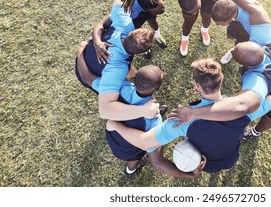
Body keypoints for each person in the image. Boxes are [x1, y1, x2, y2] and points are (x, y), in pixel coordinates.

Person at [106, 58, 271, 173]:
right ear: (222, 80)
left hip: (206, 163)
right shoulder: (243, 110)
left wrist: (116, 126)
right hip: (230, 157)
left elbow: (146, 143)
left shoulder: (182, 120)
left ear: (196, 86)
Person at [76, 42, 205, 178]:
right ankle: (131, 170)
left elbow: (86, 77)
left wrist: (80, 52)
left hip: (112, 135)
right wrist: (190, 175)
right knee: (134, 158)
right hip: (126, 150)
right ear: (156, 89)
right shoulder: (154, 121)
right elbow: (157, 161)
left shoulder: (118, 87)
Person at [138, 0, 251, 56]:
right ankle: (184, 39)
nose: (194, 13)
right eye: (191, 12)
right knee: (189, 22)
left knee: (207, 17)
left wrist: (251, 1)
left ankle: (204, 31)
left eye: (195, 10)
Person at [92, 0, 168, 65]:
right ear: (148, 10)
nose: (163, 8)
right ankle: (146, 50)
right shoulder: (124, 15)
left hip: (146, 14)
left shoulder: (150, 1)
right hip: (134, 30)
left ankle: (157, 36)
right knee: (140, 40)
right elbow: (101, 24)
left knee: (153, 21)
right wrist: (97, 42)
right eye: (161, 8)